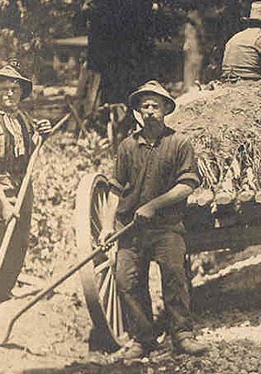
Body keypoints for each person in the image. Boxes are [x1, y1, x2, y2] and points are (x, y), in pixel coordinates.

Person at [99, 80, 208, 358]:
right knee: (127, 281)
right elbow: (115, 188)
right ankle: (143, 338)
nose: (149, 111)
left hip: (166, 226)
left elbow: (187, 185)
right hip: (130, 229)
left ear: (165, 110)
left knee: (174, 276)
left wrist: (154, 205)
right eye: (144, 106)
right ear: (137, 110)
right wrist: (107, 226)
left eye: (155, 106)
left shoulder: (179, 143)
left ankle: (182, 334)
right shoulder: (126, 147)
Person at [0, 61, 53, 315]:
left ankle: (1, 295)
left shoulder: (22, 120)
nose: (9, 94)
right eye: (4, 89)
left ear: (20, 92)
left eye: (14, 89)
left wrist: (41, 137)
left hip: (23, 192)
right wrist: (4, 205)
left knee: (18, 243)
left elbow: (28, 150)